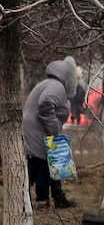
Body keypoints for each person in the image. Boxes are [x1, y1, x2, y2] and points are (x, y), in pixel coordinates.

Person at [23, 56, 78, 209]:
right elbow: (46, 105)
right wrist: (54, 130)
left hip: (36, 129)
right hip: (39, 131)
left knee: (49, 161)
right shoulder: (56, 86)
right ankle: (42, 199)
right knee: (43, 164)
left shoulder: (50, 84)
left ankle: (57, 196)